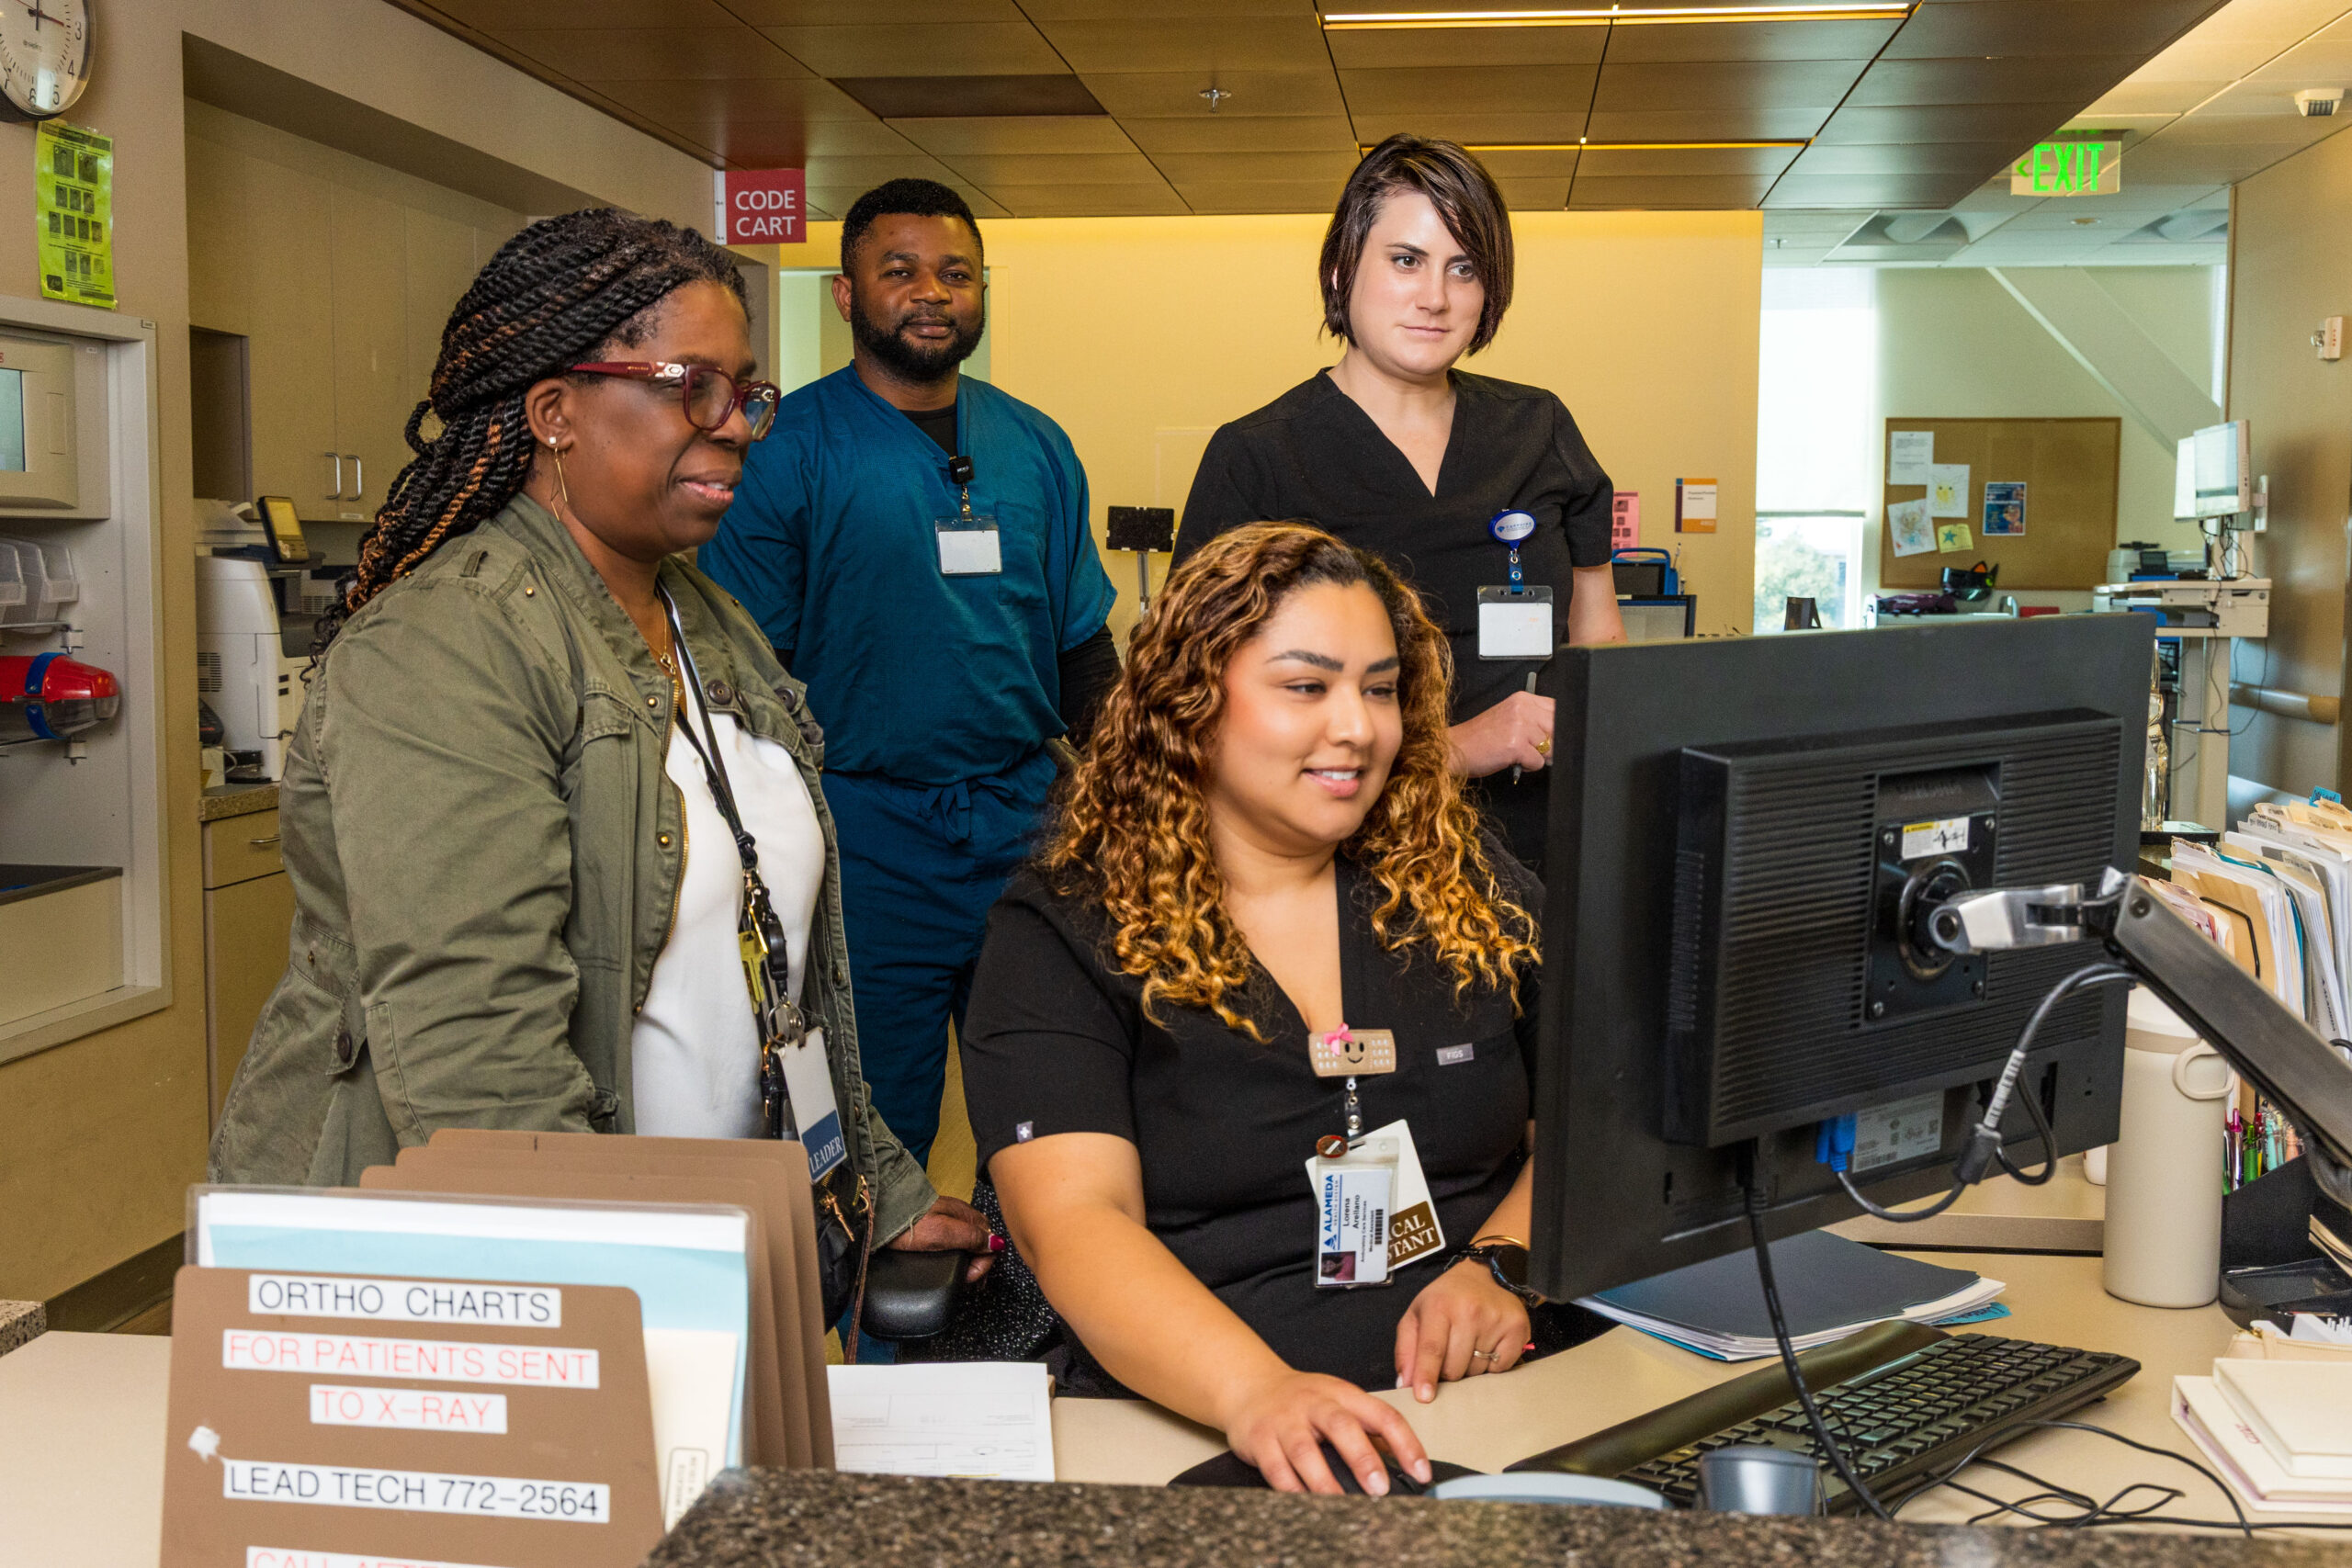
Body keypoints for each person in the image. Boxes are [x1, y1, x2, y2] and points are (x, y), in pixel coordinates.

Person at [209, 209, 989, 1283]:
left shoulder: (703, 618)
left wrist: (873, 1188)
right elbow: (478, 1059)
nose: (734, 427)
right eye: (690, 387)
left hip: (696, 1246)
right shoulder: (446, 647)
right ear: (555, 412)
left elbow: (784, 979)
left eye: (745, 393)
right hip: (495, 1281)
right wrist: (625, 1300)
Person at [962, 523, 1591, 1496]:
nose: (1356, 727)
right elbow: (1075, 1223)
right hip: (1193, 1424)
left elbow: (1597, 1118)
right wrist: (1257, 1392)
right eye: (1306, 687)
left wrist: (1502, 1267)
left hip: (1484, 1400)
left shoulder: (1464, 888)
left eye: (1378, 689)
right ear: (1191, 705)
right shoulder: (1066, 930)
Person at [701, 178, 1118, 1170]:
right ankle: (884, 1328)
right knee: (879, 1117)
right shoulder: (785, 451)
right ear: (847, 296)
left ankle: (1033, 1311)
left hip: (1029, 824)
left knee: (1052, 1105)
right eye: (899, 271)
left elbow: (1081, 652)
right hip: (864, 835)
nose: (931, 292)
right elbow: (745, 682)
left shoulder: (1035, 445)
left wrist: (1128, 794)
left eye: (956, 272)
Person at [1175, 135, 1626, 874]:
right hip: (1345, 858)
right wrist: (1459, 747)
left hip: (1542, 843)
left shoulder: (1539, 429)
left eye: (1464, 268)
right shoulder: (1260, 459)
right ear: (1340, 267)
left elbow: (1598, 645)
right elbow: (1204, 709)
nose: (1436, 297)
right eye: (1406, 260)